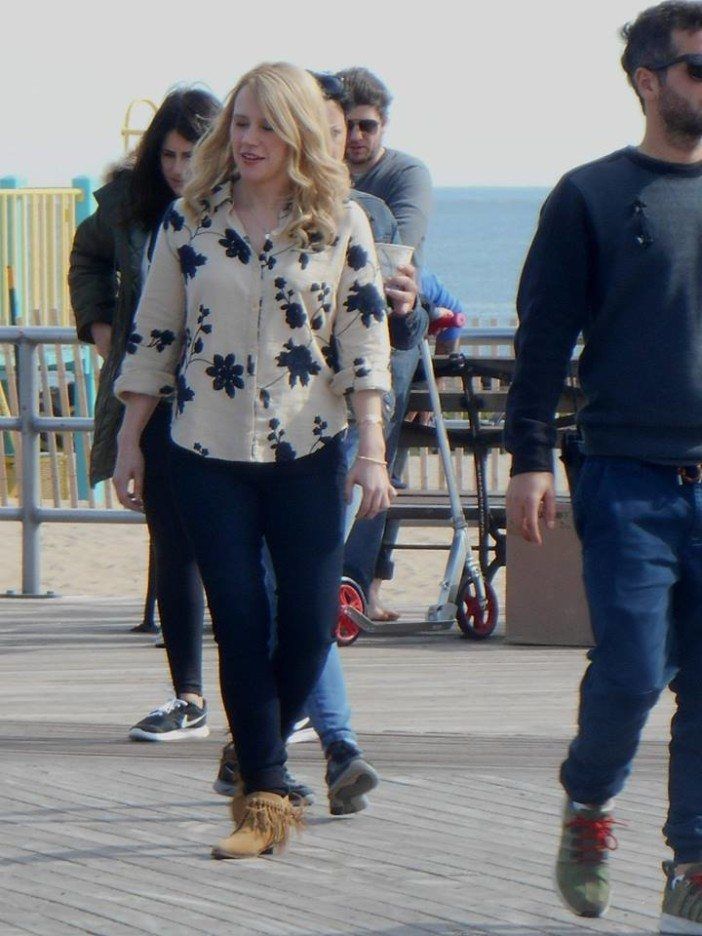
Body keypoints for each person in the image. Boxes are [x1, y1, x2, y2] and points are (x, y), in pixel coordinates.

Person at [113, 62, 395, 860]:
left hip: (310, 451)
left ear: (299, 132)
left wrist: (371, 449)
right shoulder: (187, 223)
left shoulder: (341, 222)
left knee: (309, 624)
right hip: (205, 450)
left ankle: (253, 739)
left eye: (265, 125)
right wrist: (132, 438)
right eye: (239, 123)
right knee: (238, 621)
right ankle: (263, 800)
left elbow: (363, 342)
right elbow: (153, 333)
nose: (247, 139)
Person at [504, 3, 702, 931]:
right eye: (698, 67)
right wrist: (530, 459)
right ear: (648, 80)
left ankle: (693, 868)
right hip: (627, 477)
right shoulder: (588, 194)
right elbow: (543, 341)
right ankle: (589, 803)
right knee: (629, 668)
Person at [213, 71, 426, 818]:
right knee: (271, 597)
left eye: (356, 128)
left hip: (328, 438)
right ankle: (328, 747)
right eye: (336, 128)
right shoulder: (206, 216)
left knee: (302, 604)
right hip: (230, 447)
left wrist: (411, 307)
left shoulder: (357, 217)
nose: (347, 141)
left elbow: (387, 327)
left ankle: (260, 743)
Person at [69, 87, 221, 742]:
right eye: (169, 154)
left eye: (192, 154)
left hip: (226, 394)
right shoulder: (130, 204)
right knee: (172, 541)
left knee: (243, 547)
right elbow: (87, 255)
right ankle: (187, 692)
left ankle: (277, 698)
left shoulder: (241, 203)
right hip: (150, 390)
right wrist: (100, 323)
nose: (180, 169)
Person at [337, 66, 433, 268]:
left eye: (367, 126)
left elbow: (396, 251)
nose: (355, 136)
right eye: (347, 126)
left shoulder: (407, 174)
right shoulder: (317, 175)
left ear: (384, 123)